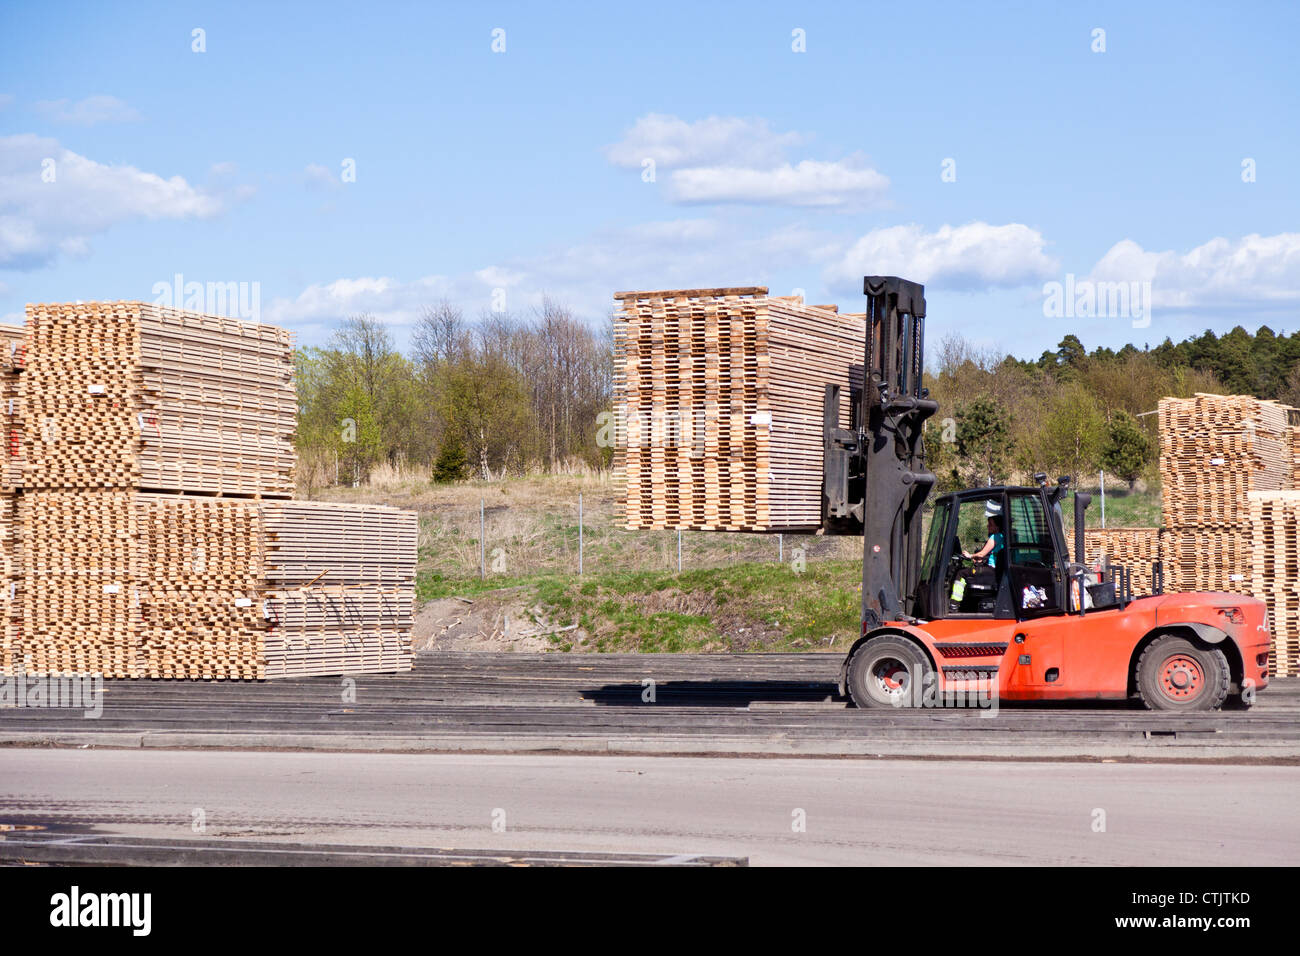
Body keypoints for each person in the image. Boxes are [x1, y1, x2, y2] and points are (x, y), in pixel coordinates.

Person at [963, 501, 1005, 569]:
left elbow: (981, 554)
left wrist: (969, 556)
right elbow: (991, 554)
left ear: (997, 527)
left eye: (990, 524)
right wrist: (977, 558)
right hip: (996, 568)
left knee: (962, 573)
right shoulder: (1002, 536)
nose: (987, 526)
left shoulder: (995, 537)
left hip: (992, 568)